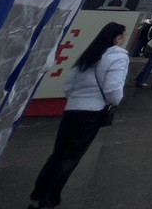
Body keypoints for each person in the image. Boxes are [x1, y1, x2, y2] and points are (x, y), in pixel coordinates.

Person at [29, 22, 128, 209]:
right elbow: (113, 90)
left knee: (58, 154)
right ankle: (49, 201)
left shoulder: (89, 54)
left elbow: (68, 85)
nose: (124, 39)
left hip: (72, 110)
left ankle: (37, 195)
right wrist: (113, 102)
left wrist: (76, 100)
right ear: (117, 39)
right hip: (92, 113)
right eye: (123, 36)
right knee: (71, 158)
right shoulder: (117, 58)